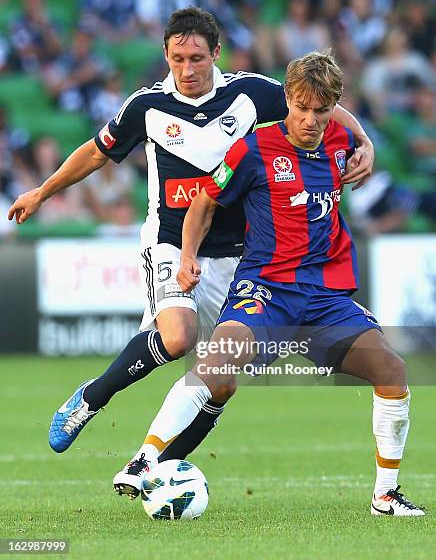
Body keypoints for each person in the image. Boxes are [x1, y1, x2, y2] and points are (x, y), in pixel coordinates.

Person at [8, 8, 374, 497]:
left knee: (222, 382)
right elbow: (96, 152)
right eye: (178, 58)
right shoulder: (147, 106)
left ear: (215, 54)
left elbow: (317, 102)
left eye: (197, 58)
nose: (188, 68)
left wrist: (363, 140)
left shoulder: (251, 93)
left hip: (238, 251)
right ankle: (91, 399)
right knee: (178, 338)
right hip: (170, 237)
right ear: (165, 55)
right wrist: (42, 191)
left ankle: (156, 467)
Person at [132, 50, 424, 516]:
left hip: (324, 295)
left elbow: (356, 141)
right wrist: (187, 256)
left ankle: (386, 496)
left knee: (391, 371)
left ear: (334, 108)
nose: (310, 120)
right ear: (286, 98)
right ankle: (145, 459)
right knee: (217, 360)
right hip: (266, 289)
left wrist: (366, 145)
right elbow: (204, 203)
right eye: (302, 107)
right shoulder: (251, 150)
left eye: (321, 111)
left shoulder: (340, 144)